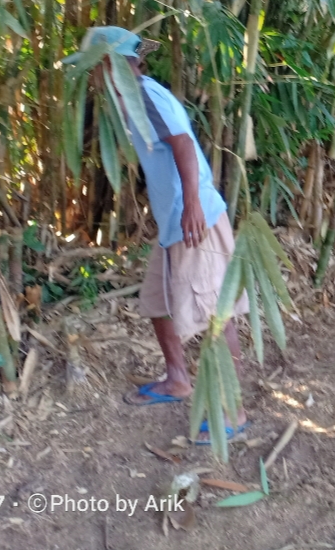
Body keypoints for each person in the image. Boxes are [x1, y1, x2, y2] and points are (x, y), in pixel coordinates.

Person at [63, 26, 248, 443]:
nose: (92, 78)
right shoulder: (131, 100)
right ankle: (178, 379)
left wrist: (192, 205)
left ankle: (232, 410)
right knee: (159, 303)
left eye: (94, 68)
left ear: (110, 65)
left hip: (194, 221)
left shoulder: (145, 95)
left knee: (215, 315)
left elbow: (183, 145)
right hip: (174, 223)